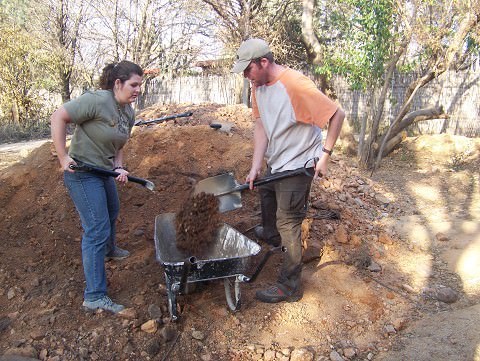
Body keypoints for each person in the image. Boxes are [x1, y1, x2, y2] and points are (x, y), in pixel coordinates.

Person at [232, 38, 345, 303]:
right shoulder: (257, 86)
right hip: (277, 160)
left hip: (298, 165)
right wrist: (256, 166)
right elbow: (261, 126)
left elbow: (336, 114)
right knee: (266, 194)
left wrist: (325, 156)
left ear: (263, 62)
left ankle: (289, 285)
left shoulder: (295, 85)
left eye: (248, 69)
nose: (246, 76)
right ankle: (272, 236)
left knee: (289, 221)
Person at [50, 60, 143, 313]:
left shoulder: (128, 112)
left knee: (112, 212)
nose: (137, 90)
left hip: (103, 171)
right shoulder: (98, 100)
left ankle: (110, 250)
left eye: (140, 86)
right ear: (118, 83)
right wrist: (63, 157)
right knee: (96, 229)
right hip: (81, 172)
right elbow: (59, 116)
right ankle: (94, 295)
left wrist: (119, 167)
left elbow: (119, 145)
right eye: (133, 85)